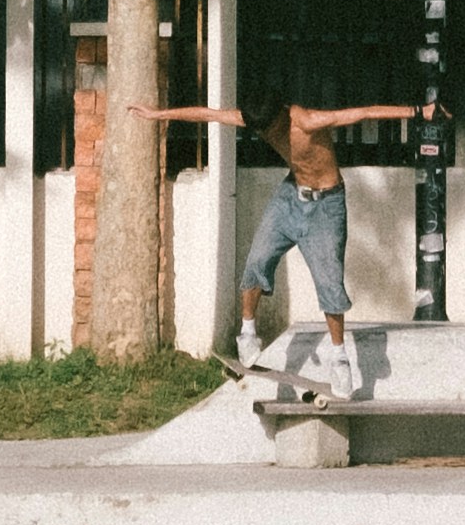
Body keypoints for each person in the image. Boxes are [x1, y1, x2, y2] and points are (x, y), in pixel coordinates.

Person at [151, 93, 440, 391]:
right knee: (257, 261)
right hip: (289, 197)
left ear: (281, 116)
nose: (266, 134)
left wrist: (420, 111)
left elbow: (362, 112)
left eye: (269, 128)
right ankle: (248, 333)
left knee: (329, 284)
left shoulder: (307, 121)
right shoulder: (256, 115)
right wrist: (158, 115)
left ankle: (339, 358)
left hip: (327, 207)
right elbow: (207, 114)